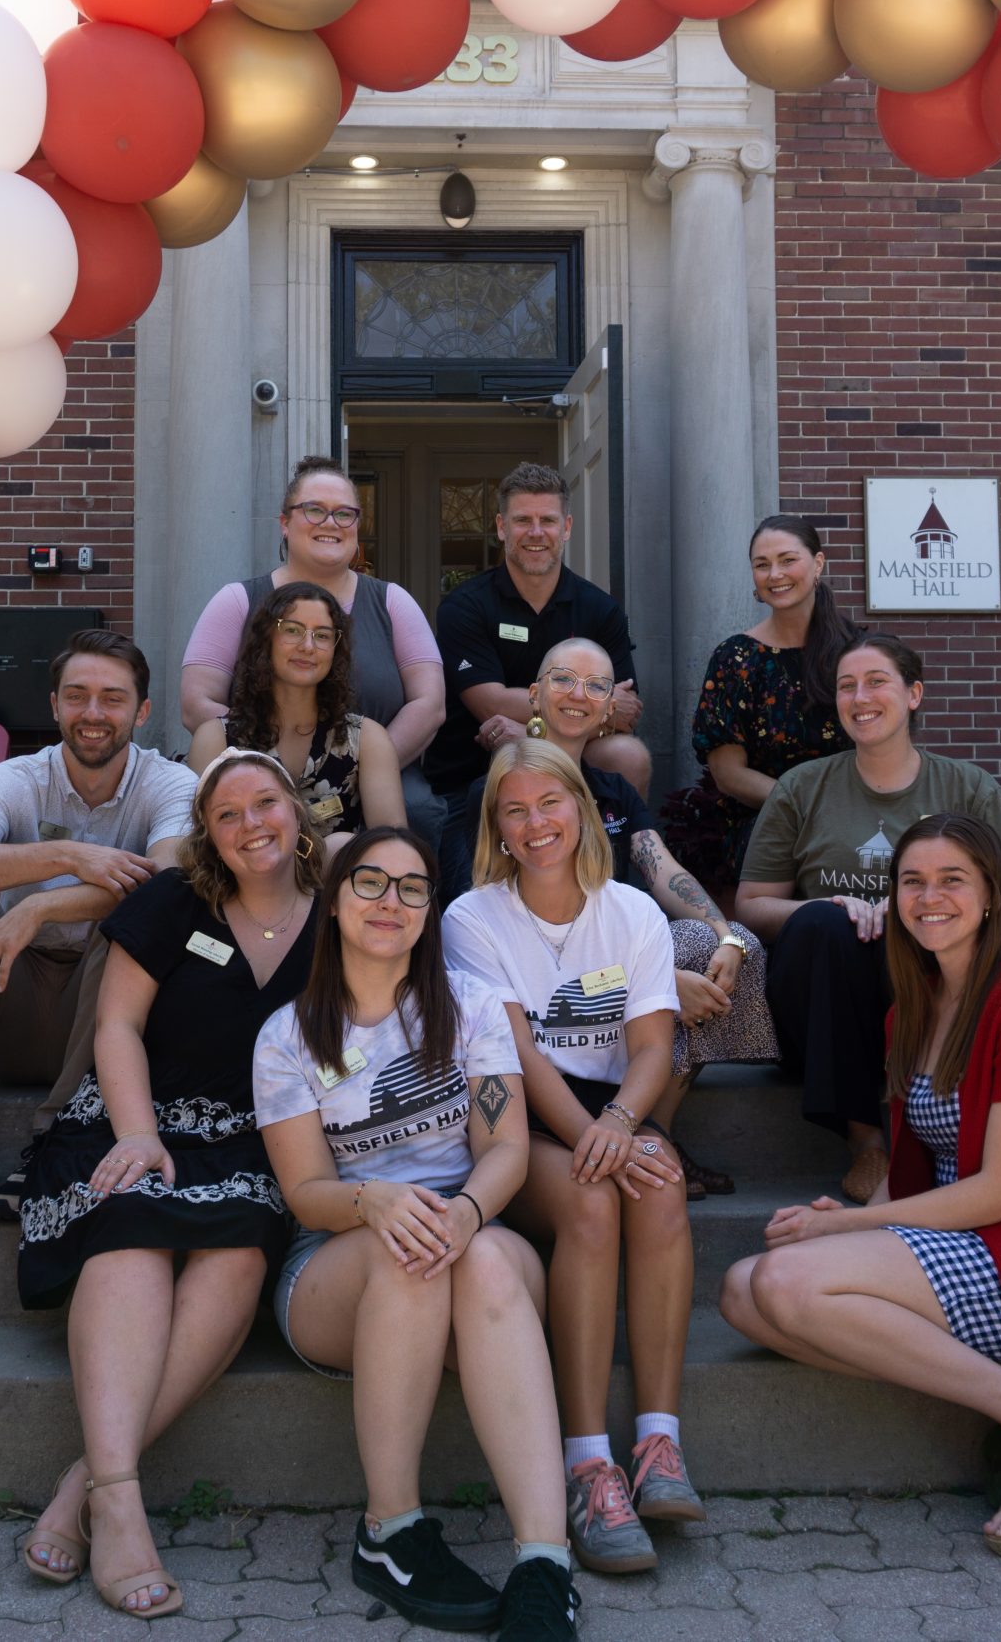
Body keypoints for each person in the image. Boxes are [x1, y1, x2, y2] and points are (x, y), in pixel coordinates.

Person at [720, 814, 1001, 1561]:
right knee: (743, 1292)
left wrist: (841, 1236)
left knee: (786, 1283)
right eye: (912, 880)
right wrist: (850, 1216)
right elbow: (916, 1167)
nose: (929, 897)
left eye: (952, 880)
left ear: (990, 897)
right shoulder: (913, 1004)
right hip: (962, 1246)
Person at [10, 749, 322, 1618]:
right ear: (208, 835)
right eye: (228, 813)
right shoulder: (171, 903)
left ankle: (91, 1481)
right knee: (133, 1226)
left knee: (237, 1256)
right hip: (132, 1116)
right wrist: (140, 1133)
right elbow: (116, 1024)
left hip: (254, 1144)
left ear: (297, 814)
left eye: (266, 803)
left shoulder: (340, 917)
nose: (251, 823)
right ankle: (122, 1501)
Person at [256, 830, 580, 1641]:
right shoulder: (286, 1037)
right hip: (337, 1262)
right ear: (333, 901)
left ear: (428, 911)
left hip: (474, 1238)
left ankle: (546, 1564)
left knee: (479, 1263)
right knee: (411, 1259)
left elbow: (505, 1147)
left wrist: (466, 1214)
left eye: (410, 888)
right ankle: (390, 1530)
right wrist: (375, 1201)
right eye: (369, 881)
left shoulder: (469, 1005)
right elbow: (304, 1193)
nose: (389, 901)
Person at [444, 739, 698, 1576]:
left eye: (549, 803)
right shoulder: (472, 917)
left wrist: (623, 1123)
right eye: (514, 811)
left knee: (660, 1190)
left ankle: (658, 1443)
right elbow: (515, 1052)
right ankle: (588, 1461)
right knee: (592, 1200)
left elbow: (655, 1046)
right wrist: (595, 1140)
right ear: (498, 830)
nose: (536, 823)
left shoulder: (631, 910)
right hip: (523, 1118)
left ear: (581, 810)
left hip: (618, 1106)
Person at [441, 639, 768, 1198]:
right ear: (534, 695)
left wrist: (729, 934)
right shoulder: (499, 788)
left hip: (614, 954)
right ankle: (628, 1136)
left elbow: (658, 866)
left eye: (596, 686)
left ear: (608, 707)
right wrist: (663, 985)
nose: (579, 694)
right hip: (535, 982)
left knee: (722, 944)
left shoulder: (612, 789)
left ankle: (650, 1129)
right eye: (564, 679)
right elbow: (498, 922)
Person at [0, 630, 196, 1226]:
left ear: (141, 712)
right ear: (55, 705)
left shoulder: (171, 784)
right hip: (7, 1003)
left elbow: (165, 887)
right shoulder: (12, 780)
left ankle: (56, 1132)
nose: (93, 713)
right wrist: (64, 857)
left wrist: (36, 907)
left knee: (130, 926)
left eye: (112, 698)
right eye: (77, 695)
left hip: (108, 1029)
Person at [731, 632, 1001, 1205]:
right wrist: (821, 905)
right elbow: (750, 906)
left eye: (876, 682)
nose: (859, 696)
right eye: (847, 686)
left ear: (913, 694)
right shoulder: (804, 786)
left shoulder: (967, 789)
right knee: (824, 927)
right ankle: (867, 1141)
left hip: (929, 997)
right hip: (825, 1001)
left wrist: (927, 911)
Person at [181, 456, 444, 827]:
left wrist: (361, 769)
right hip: (251, 779)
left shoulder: (392, 601)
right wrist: (269, 777)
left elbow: (429, 704)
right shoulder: (237, 600)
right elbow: (196, 704)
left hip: (381, 770)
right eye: (314, 510)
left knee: (417, 812)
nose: (330, 523)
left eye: (344, 514)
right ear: (285, 523)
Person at [422, 465, 648, 825]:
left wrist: (532, 730)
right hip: (473, 775)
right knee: (508, 751)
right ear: (501, 527)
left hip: (574, 757)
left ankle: (610, 868)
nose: (536, 533)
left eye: (548, 520)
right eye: (523, 520)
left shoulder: (600, 609)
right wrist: (596, 706)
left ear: (567, 528)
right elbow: (491, 704)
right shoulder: (465, 606)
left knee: (628, 754)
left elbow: (625, 715)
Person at [658, 515, 854, 895]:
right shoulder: (736, 659)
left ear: (818, 563)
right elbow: (729, 775)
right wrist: (806, 807)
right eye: (762, 565)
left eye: (787, 560)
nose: (774, 574)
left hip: (857, 814)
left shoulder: (857, 652)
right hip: (770, 822)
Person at [188, 581, 403, 838]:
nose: (308, 646)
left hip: (333, 873)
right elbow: (196, 846)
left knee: (341, 845)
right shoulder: (215, 739)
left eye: (322, 635)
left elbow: (392, 845)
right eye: (292, 630)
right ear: (266, 639)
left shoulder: (367, 738)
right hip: (242, 874)